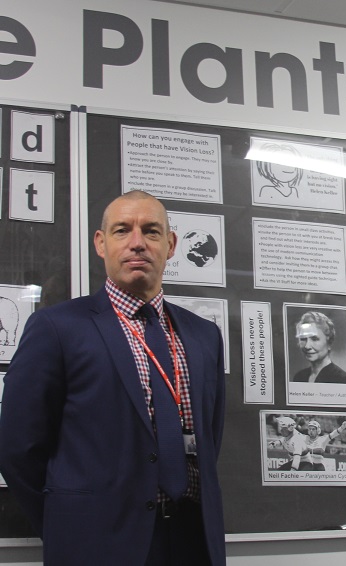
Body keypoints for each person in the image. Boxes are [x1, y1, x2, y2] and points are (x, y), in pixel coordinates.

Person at [0, 190, 226, 565]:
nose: (137, 243)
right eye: (123, 230)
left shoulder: (204, 335)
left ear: (170, 245)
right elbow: (18, 448)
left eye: (151, 231)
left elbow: (209, 437)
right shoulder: (57, 328)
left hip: (192, 539)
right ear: (101, 244)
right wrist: (67, 524)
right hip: (96, 544)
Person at [292, 311, 346, 384]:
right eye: (303, 339)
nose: (307, 346)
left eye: (314, 339)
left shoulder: (343, 379)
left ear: (329, 343)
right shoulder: (299, 377)